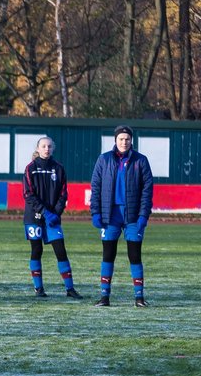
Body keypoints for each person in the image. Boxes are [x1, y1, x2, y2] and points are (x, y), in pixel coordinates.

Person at [89, 125, 153, 307]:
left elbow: (147, 191)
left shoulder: (141, 160)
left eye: (127, 139)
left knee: (135, 256)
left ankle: (139, 298)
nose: (124, 142)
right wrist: (96, 212)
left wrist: (143, 216)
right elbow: (96, 188)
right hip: (110, 217)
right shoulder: (104, 160)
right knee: (108, 255)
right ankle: (104, 297)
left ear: (131, 140)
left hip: (133, 217)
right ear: (115, 140)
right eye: (121, 139)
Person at [22, 136, 82, 299]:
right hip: (33, 218)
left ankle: (70, 289)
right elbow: (28, 195)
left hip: (53, 218)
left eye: (49, 146)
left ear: (52, 149)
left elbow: (63, 194)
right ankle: (39, 289)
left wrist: (55, 213)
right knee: (37, 250)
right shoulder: (30, 169)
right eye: (43, 146)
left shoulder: (59, 168)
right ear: (38, 149)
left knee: (60, 251)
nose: (46, 149)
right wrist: (45, 212)